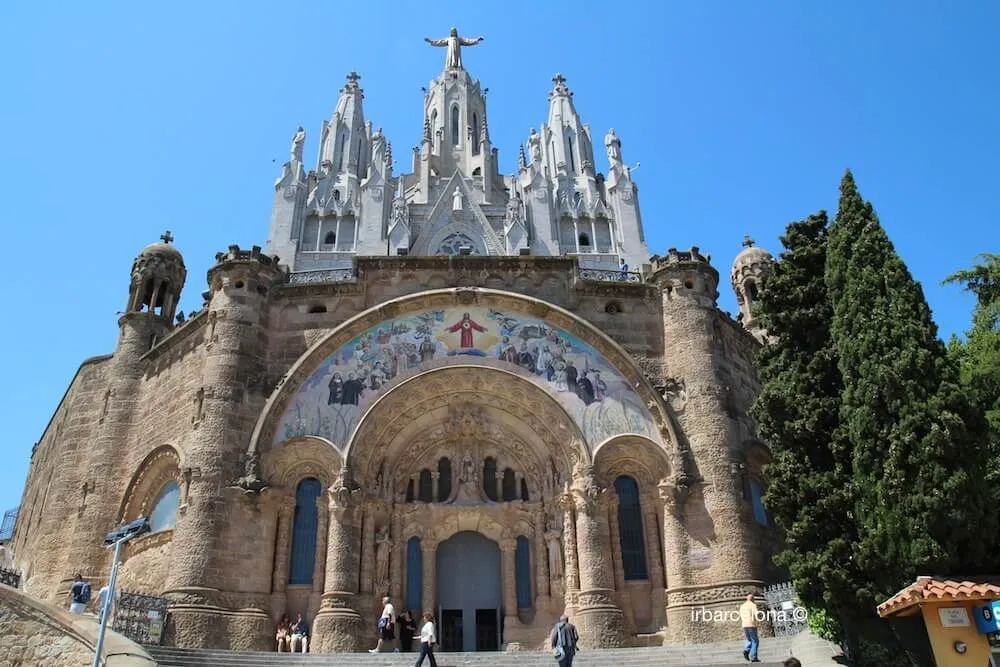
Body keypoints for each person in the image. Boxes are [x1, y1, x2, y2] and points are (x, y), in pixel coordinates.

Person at [740, 592, 761, 662]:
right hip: (751, 624)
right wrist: (758, 621)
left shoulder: (742, 606)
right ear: (752, 599)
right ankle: (754, 657)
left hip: (744, 624)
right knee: (755, 641)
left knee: (749, 640)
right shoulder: (752, 605)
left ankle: (746, 650)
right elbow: (756, 614)